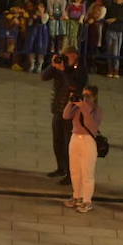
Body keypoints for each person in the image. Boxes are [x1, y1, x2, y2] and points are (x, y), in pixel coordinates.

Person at [40, 47, 87, 184]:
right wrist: (53, 65)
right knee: (57, 141)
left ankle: (71, 175)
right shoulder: (61, 66)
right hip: (58, 109)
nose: (66, 60)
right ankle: (61, 168)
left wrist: (64, 71)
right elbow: (43, 77)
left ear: (76, 57)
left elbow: (75, 86)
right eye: (64, 57)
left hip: (73, 113)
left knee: (69, 145)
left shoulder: (80, 69)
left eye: (69, 58)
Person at [64, 85, 102, 214]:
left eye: (88, 95)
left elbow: (91, 125)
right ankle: (77, 196)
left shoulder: (96, 110)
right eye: (83, 94)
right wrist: (71, 102)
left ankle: (87, 200)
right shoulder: (77, 106)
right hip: (75, 138)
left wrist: (84, 107)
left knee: (87, 172)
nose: (85, 98)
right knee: (74, 170)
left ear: (94, 97)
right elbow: (66, 115)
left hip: (88, 141)